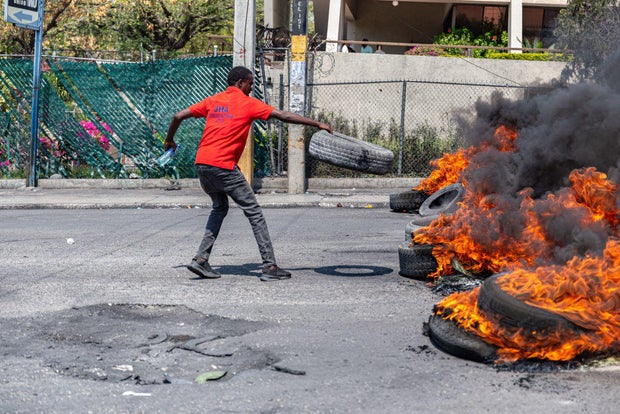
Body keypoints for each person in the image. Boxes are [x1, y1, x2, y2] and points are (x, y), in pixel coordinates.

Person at [164, 66, 332, 282]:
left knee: (220, 208)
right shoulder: (248, 103)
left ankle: (201, 260)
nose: (252, 88)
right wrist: (316, 123)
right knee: (254, 212)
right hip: (223, 166)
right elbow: (283, 115)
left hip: (202, 165)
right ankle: (269, 266)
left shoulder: (213, 101)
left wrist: (169, 140)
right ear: (240, 83)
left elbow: (178, 116)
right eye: (250, 84)